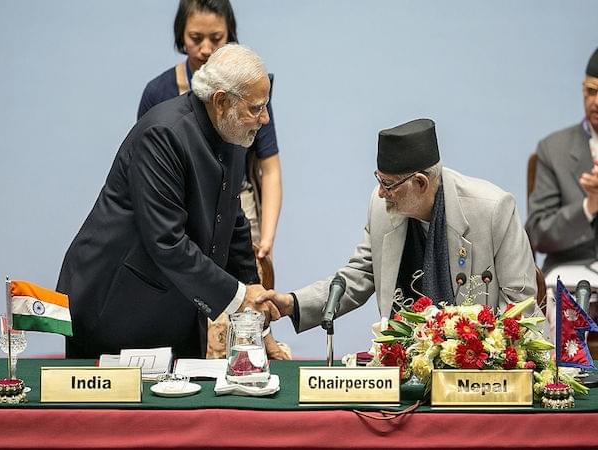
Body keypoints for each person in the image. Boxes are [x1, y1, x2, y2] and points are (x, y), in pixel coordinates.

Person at [57, 44, 280, 359]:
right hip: (115, 306)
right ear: (221, 101)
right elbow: (167, 241)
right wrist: (239, 296)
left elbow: (234, 225)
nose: (266, 119)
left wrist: (258, 316)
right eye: (257, 107)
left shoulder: (231, 131)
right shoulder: (164, 134)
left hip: (172, 306)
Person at [257, 119, 537, 332]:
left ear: (420, 183)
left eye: (388, 185)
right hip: (408, 357)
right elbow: (359, 274)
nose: (380, 193)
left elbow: (519, 303)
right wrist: (294, 303)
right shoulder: (382, 208)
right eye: (379, 180)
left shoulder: (493, 209)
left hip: (479, 367)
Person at [138, 0, 281, 259]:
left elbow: (270, 169)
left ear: (230, 34)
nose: (206, 49)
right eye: (195, 38)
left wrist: (266, 238)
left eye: (216, 38)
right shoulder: (158, 93)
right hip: (177, 206)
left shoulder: (252, 91)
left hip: (237, 206)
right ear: (181, 34)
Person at [525, 47, 598, 337]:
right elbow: (539, 233)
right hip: (571, 270)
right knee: (556, 301)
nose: (596, 102)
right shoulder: (553, 150)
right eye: (591, 91)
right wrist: (588, 206)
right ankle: (561, 379)